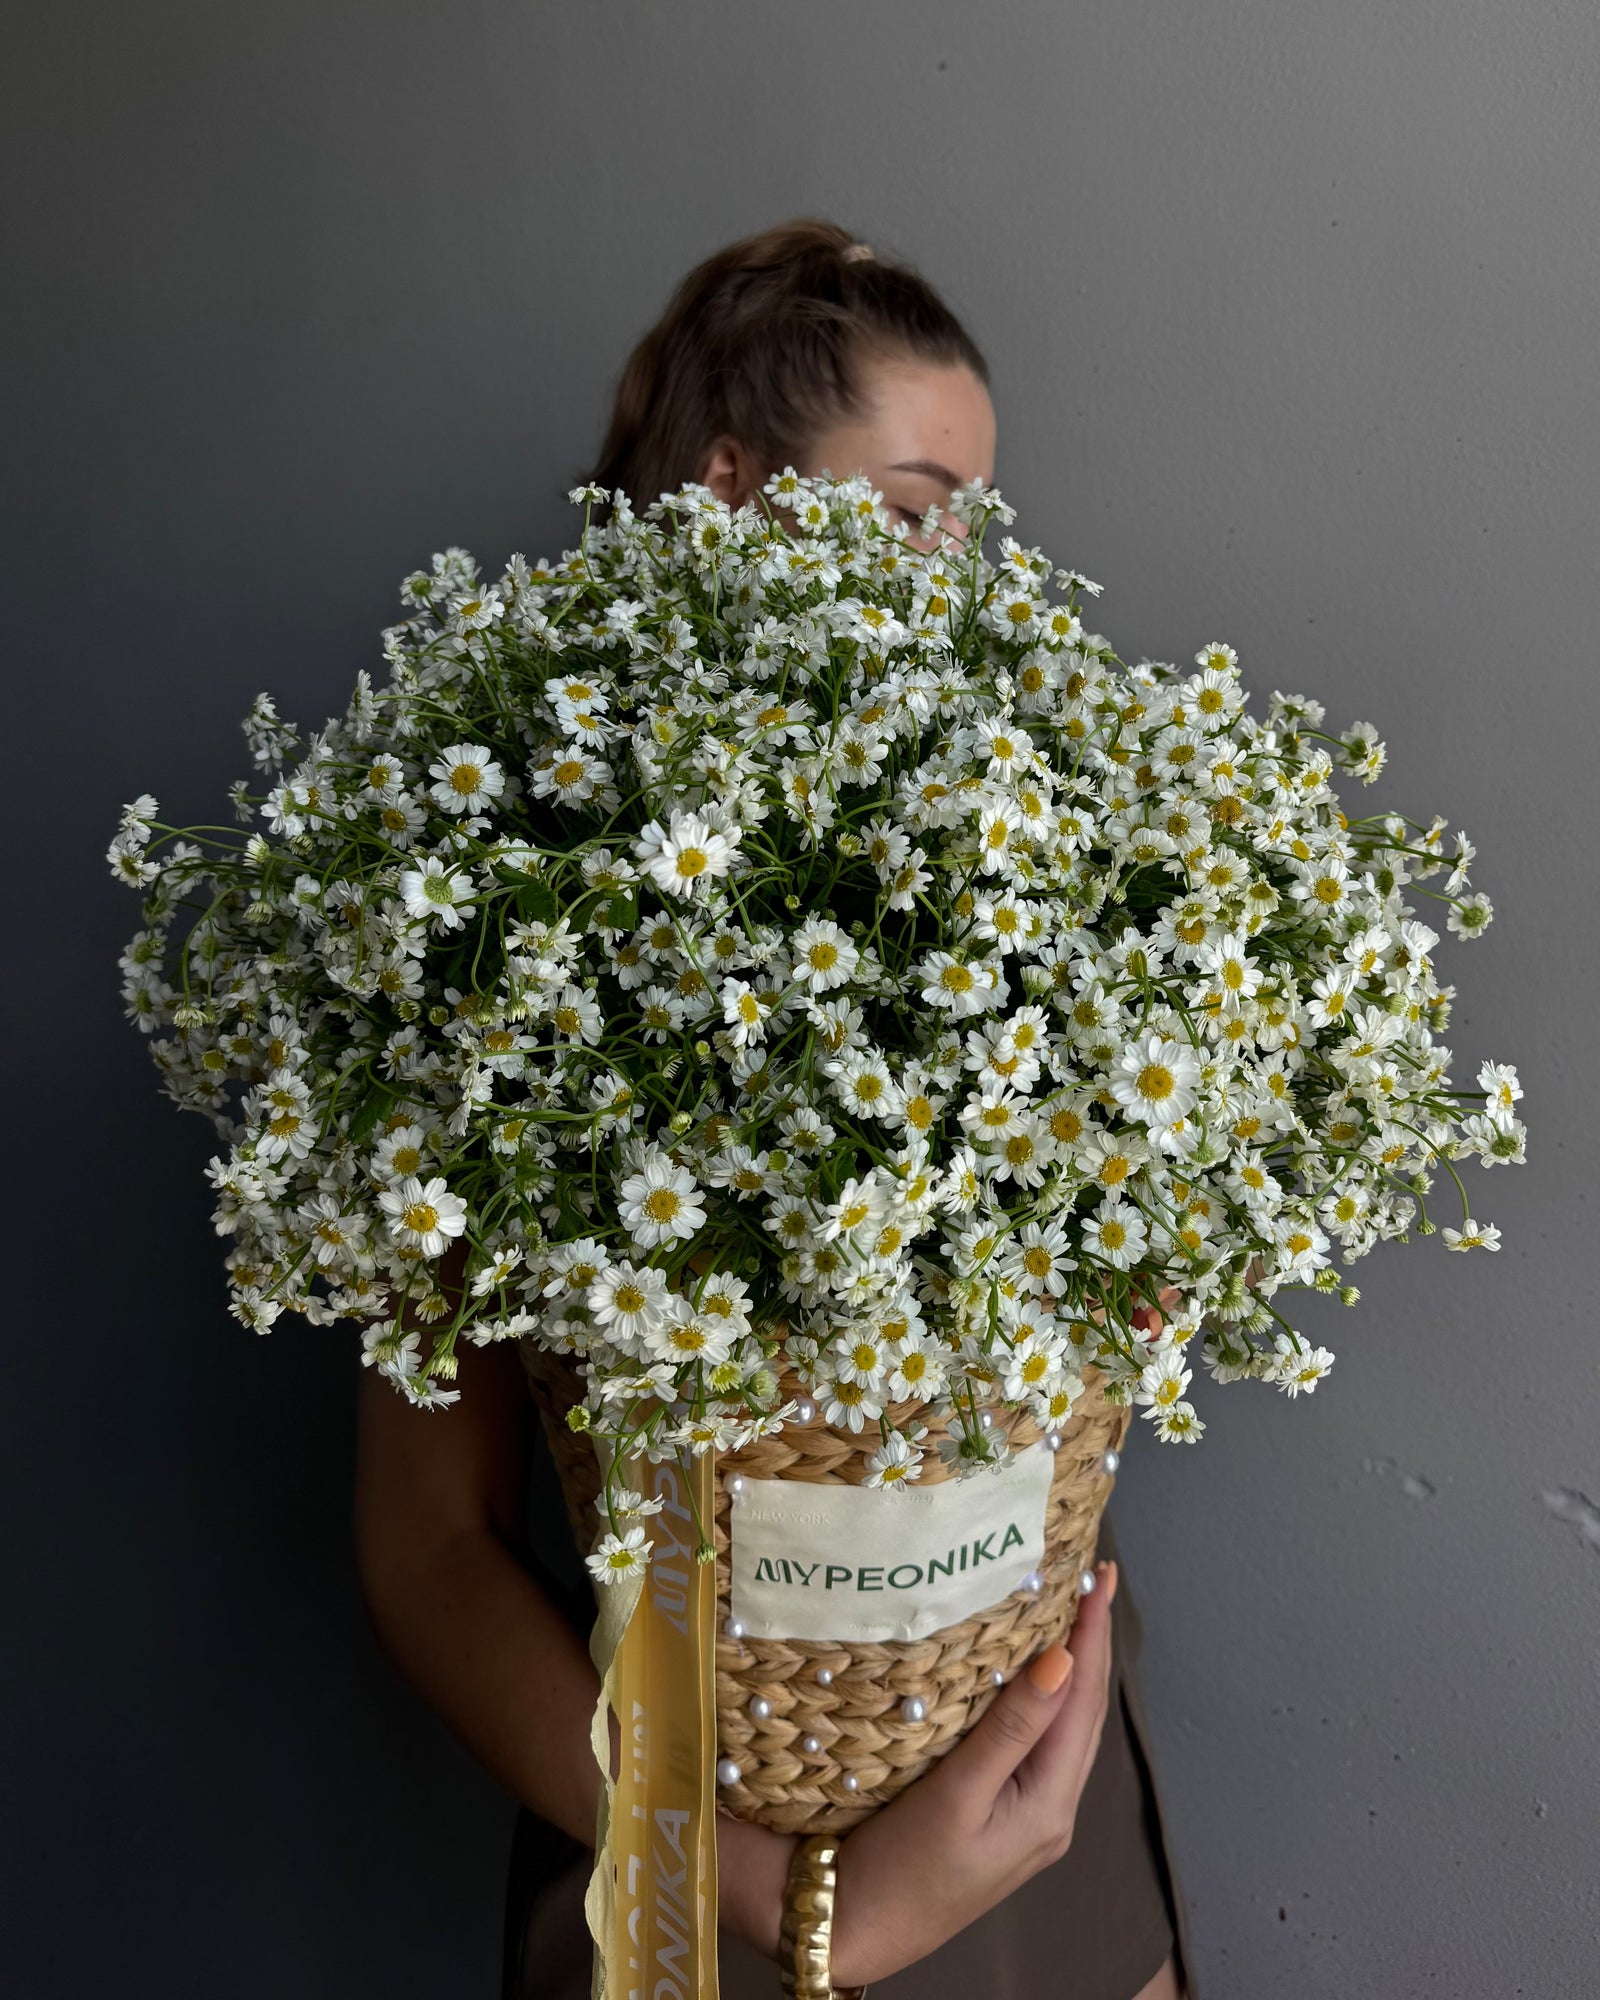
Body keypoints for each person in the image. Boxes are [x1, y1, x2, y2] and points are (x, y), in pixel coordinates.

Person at [354, 217, 1198, 2000]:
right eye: (906, 510)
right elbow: (428, 1546)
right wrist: (792, 1907)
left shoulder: (1050, 840)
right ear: (730, 488)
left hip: (1030, 1787)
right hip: (675, 1850)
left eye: (972, 524)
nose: (949, 574)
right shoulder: (485, 905)